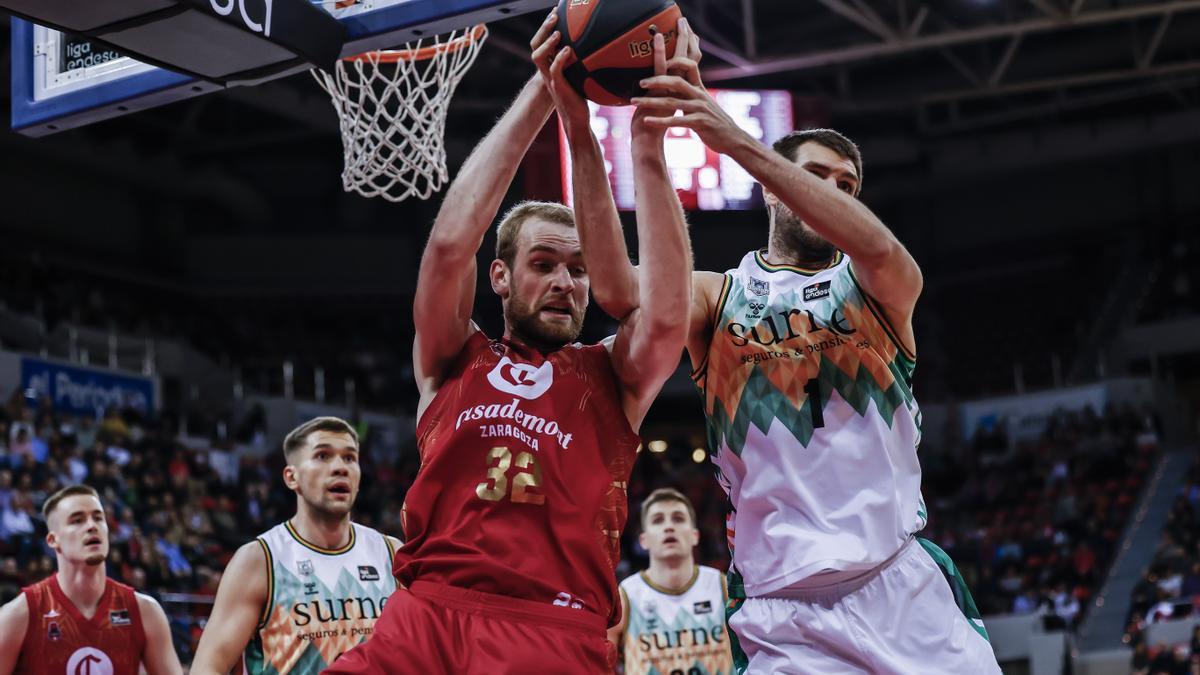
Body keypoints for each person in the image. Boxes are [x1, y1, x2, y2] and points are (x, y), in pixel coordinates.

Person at [573, 34, 1002, 674]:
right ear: (774, 191)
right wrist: (625, 142)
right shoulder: (716, 297)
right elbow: (615, 288)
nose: (833, 190)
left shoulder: (873, 286)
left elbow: (884, 252)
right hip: (782, 613)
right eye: (814, 177)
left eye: (846, 185)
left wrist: (735, 143)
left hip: (901, 586)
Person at [323, 11, 691, 674]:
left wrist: (639, 149)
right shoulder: (454, 357)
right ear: (500, 275)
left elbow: (663, 318)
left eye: (578, 270)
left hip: (549, 626)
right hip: (426, 614)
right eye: (544, 264)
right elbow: (446, 247)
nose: (564, 282)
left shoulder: (611, 375)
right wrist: (545, 87)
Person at [191, 417, 400, 675]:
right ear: (292, 477)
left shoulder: (391, 553)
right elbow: (207, 669)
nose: (340, 467)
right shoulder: (260, 560)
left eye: (349, 458)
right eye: (323, 456)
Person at [0, 485, 182, 675]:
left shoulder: (145, 611)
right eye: (77, 520)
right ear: (54, 540)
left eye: (98, 518)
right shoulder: (19, 614)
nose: (91, 526)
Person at [610, 488, 732, 675]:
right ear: (643, 540)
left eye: (678, 518)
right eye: (658, 520)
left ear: (695, 536)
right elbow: (602, 664)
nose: (669, 527)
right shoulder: (626, 595)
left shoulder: (722, 586)